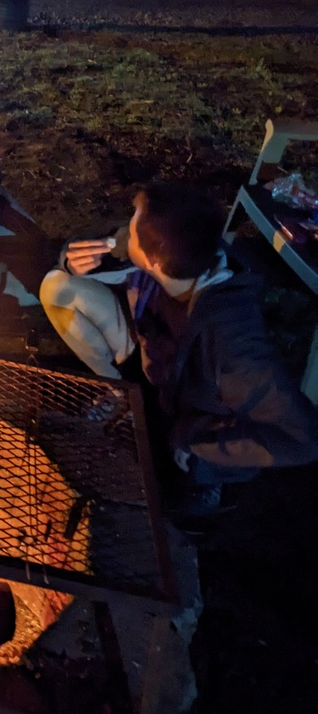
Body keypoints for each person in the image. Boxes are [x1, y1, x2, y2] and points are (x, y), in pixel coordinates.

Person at [39, 180, 318, 516]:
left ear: (154, 258)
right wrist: (73, 260)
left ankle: (205, 480)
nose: (126, 228)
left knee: (175, 484)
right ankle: (120, 395)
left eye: (133, 222)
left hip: (189, 413)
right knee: (57, 286)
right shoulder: (183, 250)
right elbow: (115, 245)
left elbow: (300, 439)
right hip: (153, 357)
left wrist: (201, 447)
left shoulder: (233, 342)